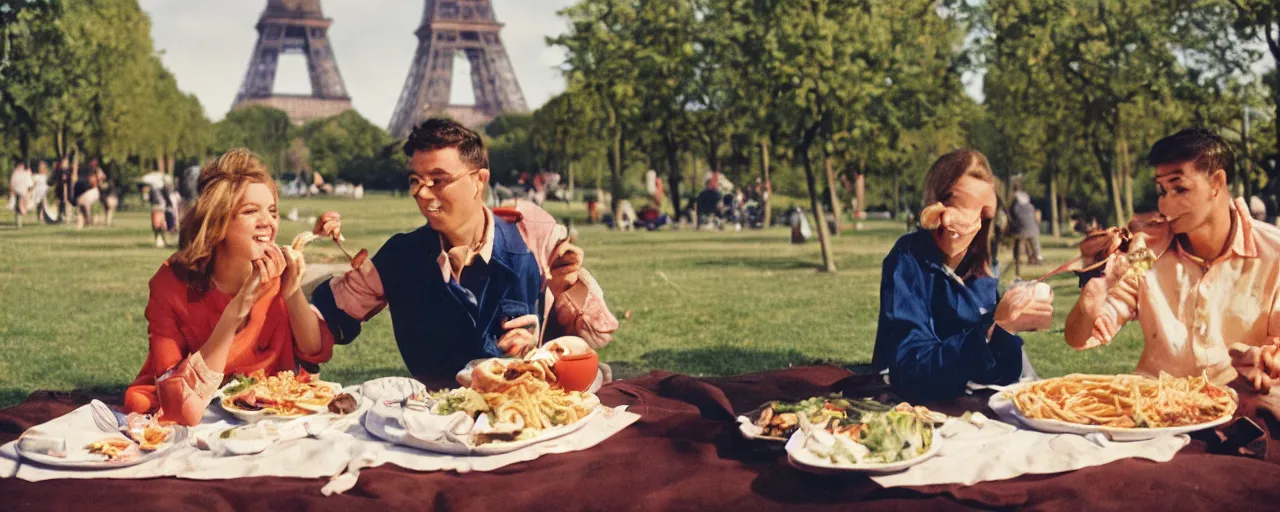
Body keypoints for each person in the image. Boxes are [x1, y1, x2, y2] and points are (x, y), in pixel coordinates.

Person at [309, 119, 618, 381]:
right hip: (439, 423)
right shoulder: (399, 256)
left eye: (438, 180)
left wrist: (564, 289)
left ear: (479, 180)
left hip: (528, 407)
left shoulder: (530, 230)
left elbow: (597, 333)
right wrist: (284, 280)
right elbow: (322, 330)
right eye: (416, 181)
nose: (423, 194)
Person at [123, 149, 335, 426]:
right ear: (218, 222)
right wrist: (238, 309)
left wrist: (292, 290)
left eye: (272, 211)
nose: (268, 223)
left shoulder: (275, 270)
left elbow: (315, 350)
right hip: (197, 411)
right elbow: (181, 404)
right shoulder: (171, 283)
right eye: (250, 211)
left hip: (266, 413)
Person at [1064, 129, 1280, 390]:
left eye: (1180, 188)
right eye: (1162, 190)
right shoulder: (1146, 253)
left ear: (1216, 183)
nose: (1165, 205)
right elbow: (1079, 339)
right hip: (1158, 414)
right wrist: (1091, 300)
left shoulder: (1273, 254)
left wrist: (1270, 362)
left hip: (1244, 411)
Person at [873, 149, 1051, 402]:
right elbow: (910, 371)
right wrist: (987, 334)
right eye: (955, 204)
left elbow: (1002, 373)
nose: (965, 223)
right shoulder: (907, 258)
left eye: (981, 213)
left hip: (974, 406)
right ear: (934, 203)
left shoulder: (983, 266)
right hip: (913, 405)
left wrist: (1006, 330)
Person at [1009, 183, 1044, 266]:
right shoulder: (1029, 204)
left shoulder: (1014, 202)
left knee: (1020, 243)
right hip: (1033, 227)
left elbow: (1012, 215)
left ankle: (1018, 259)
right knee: (1034, 244)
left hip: (1021, 228)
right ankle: (1038, 258)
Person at [9, 162, 33, 228]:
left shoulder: (22, 174)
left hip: (22, 193)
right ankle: (19, 223)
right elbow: (12, 184)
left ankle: (19, 223)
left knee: (20, 209)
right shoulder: (17, 174)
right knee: (19, 209)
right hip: (18, 193)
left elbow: (30, 185)